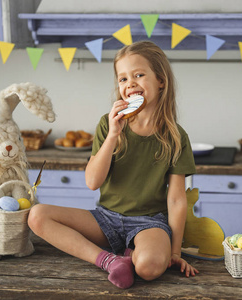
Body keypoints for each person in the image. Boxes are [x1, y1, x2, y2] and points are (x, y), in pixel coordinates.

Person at [28, 41, 198, 289]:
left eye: (139, 75)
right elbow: (92, 182)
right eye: (123, 79)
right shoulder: (108, 125)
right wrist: (113, 136)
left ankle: (133, 255)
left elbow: (176, 200)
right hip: (106, 219)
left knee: (149, 268)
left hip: (149, 223)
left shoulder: (175, 137)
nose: (130, 84)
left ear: (161, 80)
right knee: (37, 216)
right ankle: (109, 260)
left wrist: (175, 251)